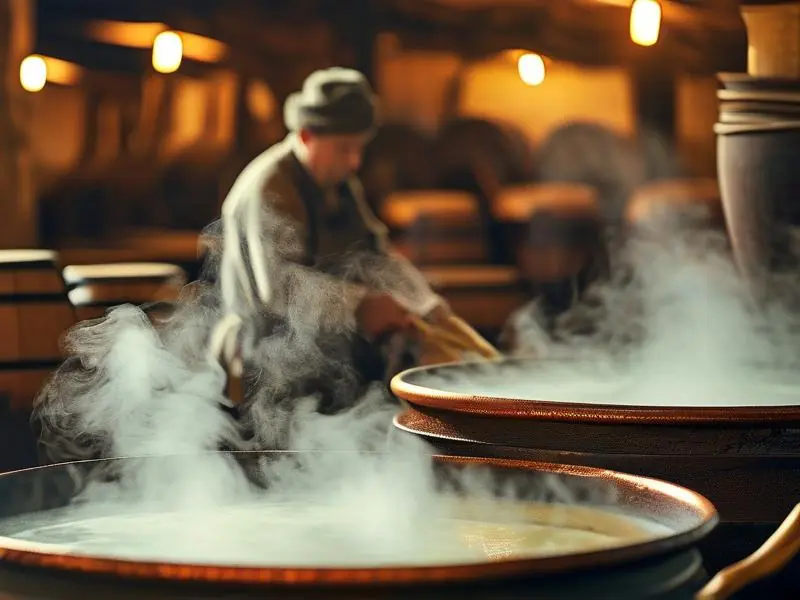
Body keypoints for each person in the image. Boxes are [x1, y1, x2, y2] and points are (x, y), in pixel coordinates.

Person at [208, 67, 450, 429]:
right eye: (344, 149)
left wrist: (426, 304)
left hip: (327, 364)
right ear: (307, 135)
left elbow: (375, 255)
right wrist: (360, 306)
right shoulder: (270, 187)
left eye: (360, 149)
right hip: (264, 368)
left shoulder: (339, 184)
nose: (354, 162)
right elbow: (278, 288)